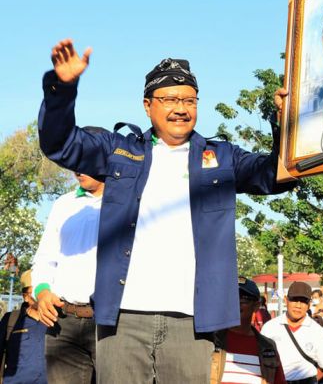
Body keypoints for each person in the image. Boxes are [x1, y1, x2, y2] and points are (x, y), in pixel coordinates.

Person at [38, 39, 295, 383]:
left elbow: (274, 176)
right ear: (148, 105)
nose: (181, 108)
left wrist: (288, 124)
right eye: (170, 99)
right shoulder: (119, 151)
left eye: (189, 100)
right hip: (123, 317)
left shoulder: (221, 158)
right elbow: (60, 144)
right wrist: (63, 90)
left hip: (192, 321)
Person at [33, 157, 106, 384]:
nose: (77, 168)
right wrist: (43, 291)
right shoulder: (63, 204)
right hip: (63, 322)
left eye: (83, 158)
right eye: (74, 161)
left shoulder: (130, 202)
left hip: (112, 324)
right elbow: (45, 257)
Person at [211, 277, 285, 384]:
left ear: (256, 305)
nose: (236, 303)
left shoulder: (268, 347)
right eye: (231, 298)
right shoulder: (211, 341)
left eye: (243, 299)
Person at [261, 282, 323, 383]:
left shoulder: (318, 332)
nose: (298, 306)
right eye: (294, 300)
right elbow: (261, 362)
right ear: (286, 300)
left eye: (303, 301)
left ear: (309, 305)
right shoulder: (269, 328)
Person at [0, 271, 48, 384]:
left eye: (43, 292)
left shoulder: (60, 321)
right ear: (25, 297)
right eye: (35, 292)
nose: (40, 297)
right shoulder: (10, 320)